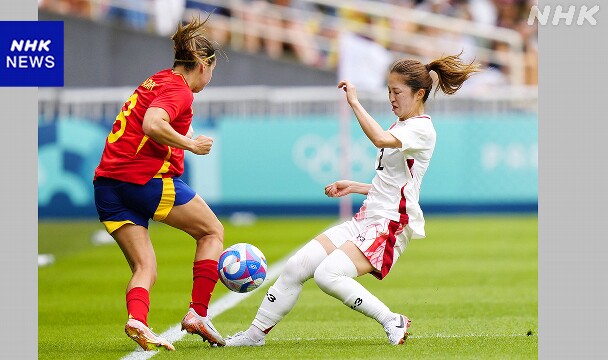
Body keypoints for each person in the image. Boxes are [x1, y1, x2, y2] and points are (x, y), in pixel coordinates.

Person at [225, 53, 479, 346]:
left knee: (327, 274)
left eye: (397, 92)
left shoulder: (421, 128)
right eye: (388, 92)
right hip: (367, 217)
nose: (391, 99)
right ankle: (255, 335)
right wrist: (356, 187)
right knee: (298, 265)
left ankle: (391, 320)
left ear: (419, 93)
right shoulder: (401, 125)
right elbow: (391, 185)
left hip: (390, 224)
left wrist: (355, 103)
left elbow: (380, 140)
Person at [93, 16, 226, 351]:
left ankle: (137, 319)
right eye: (212, 70)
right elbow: (153, 123)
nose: (210, 78)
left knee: (145, 266)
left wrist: (181, 137)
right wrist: (191, 146)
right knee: (211, 232)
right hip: (142, 180)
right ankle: (197, 313)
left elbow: (149, 124)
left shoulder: (157, 80)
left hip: (107, 185)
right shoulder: (180, 91)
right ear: (202, 64)